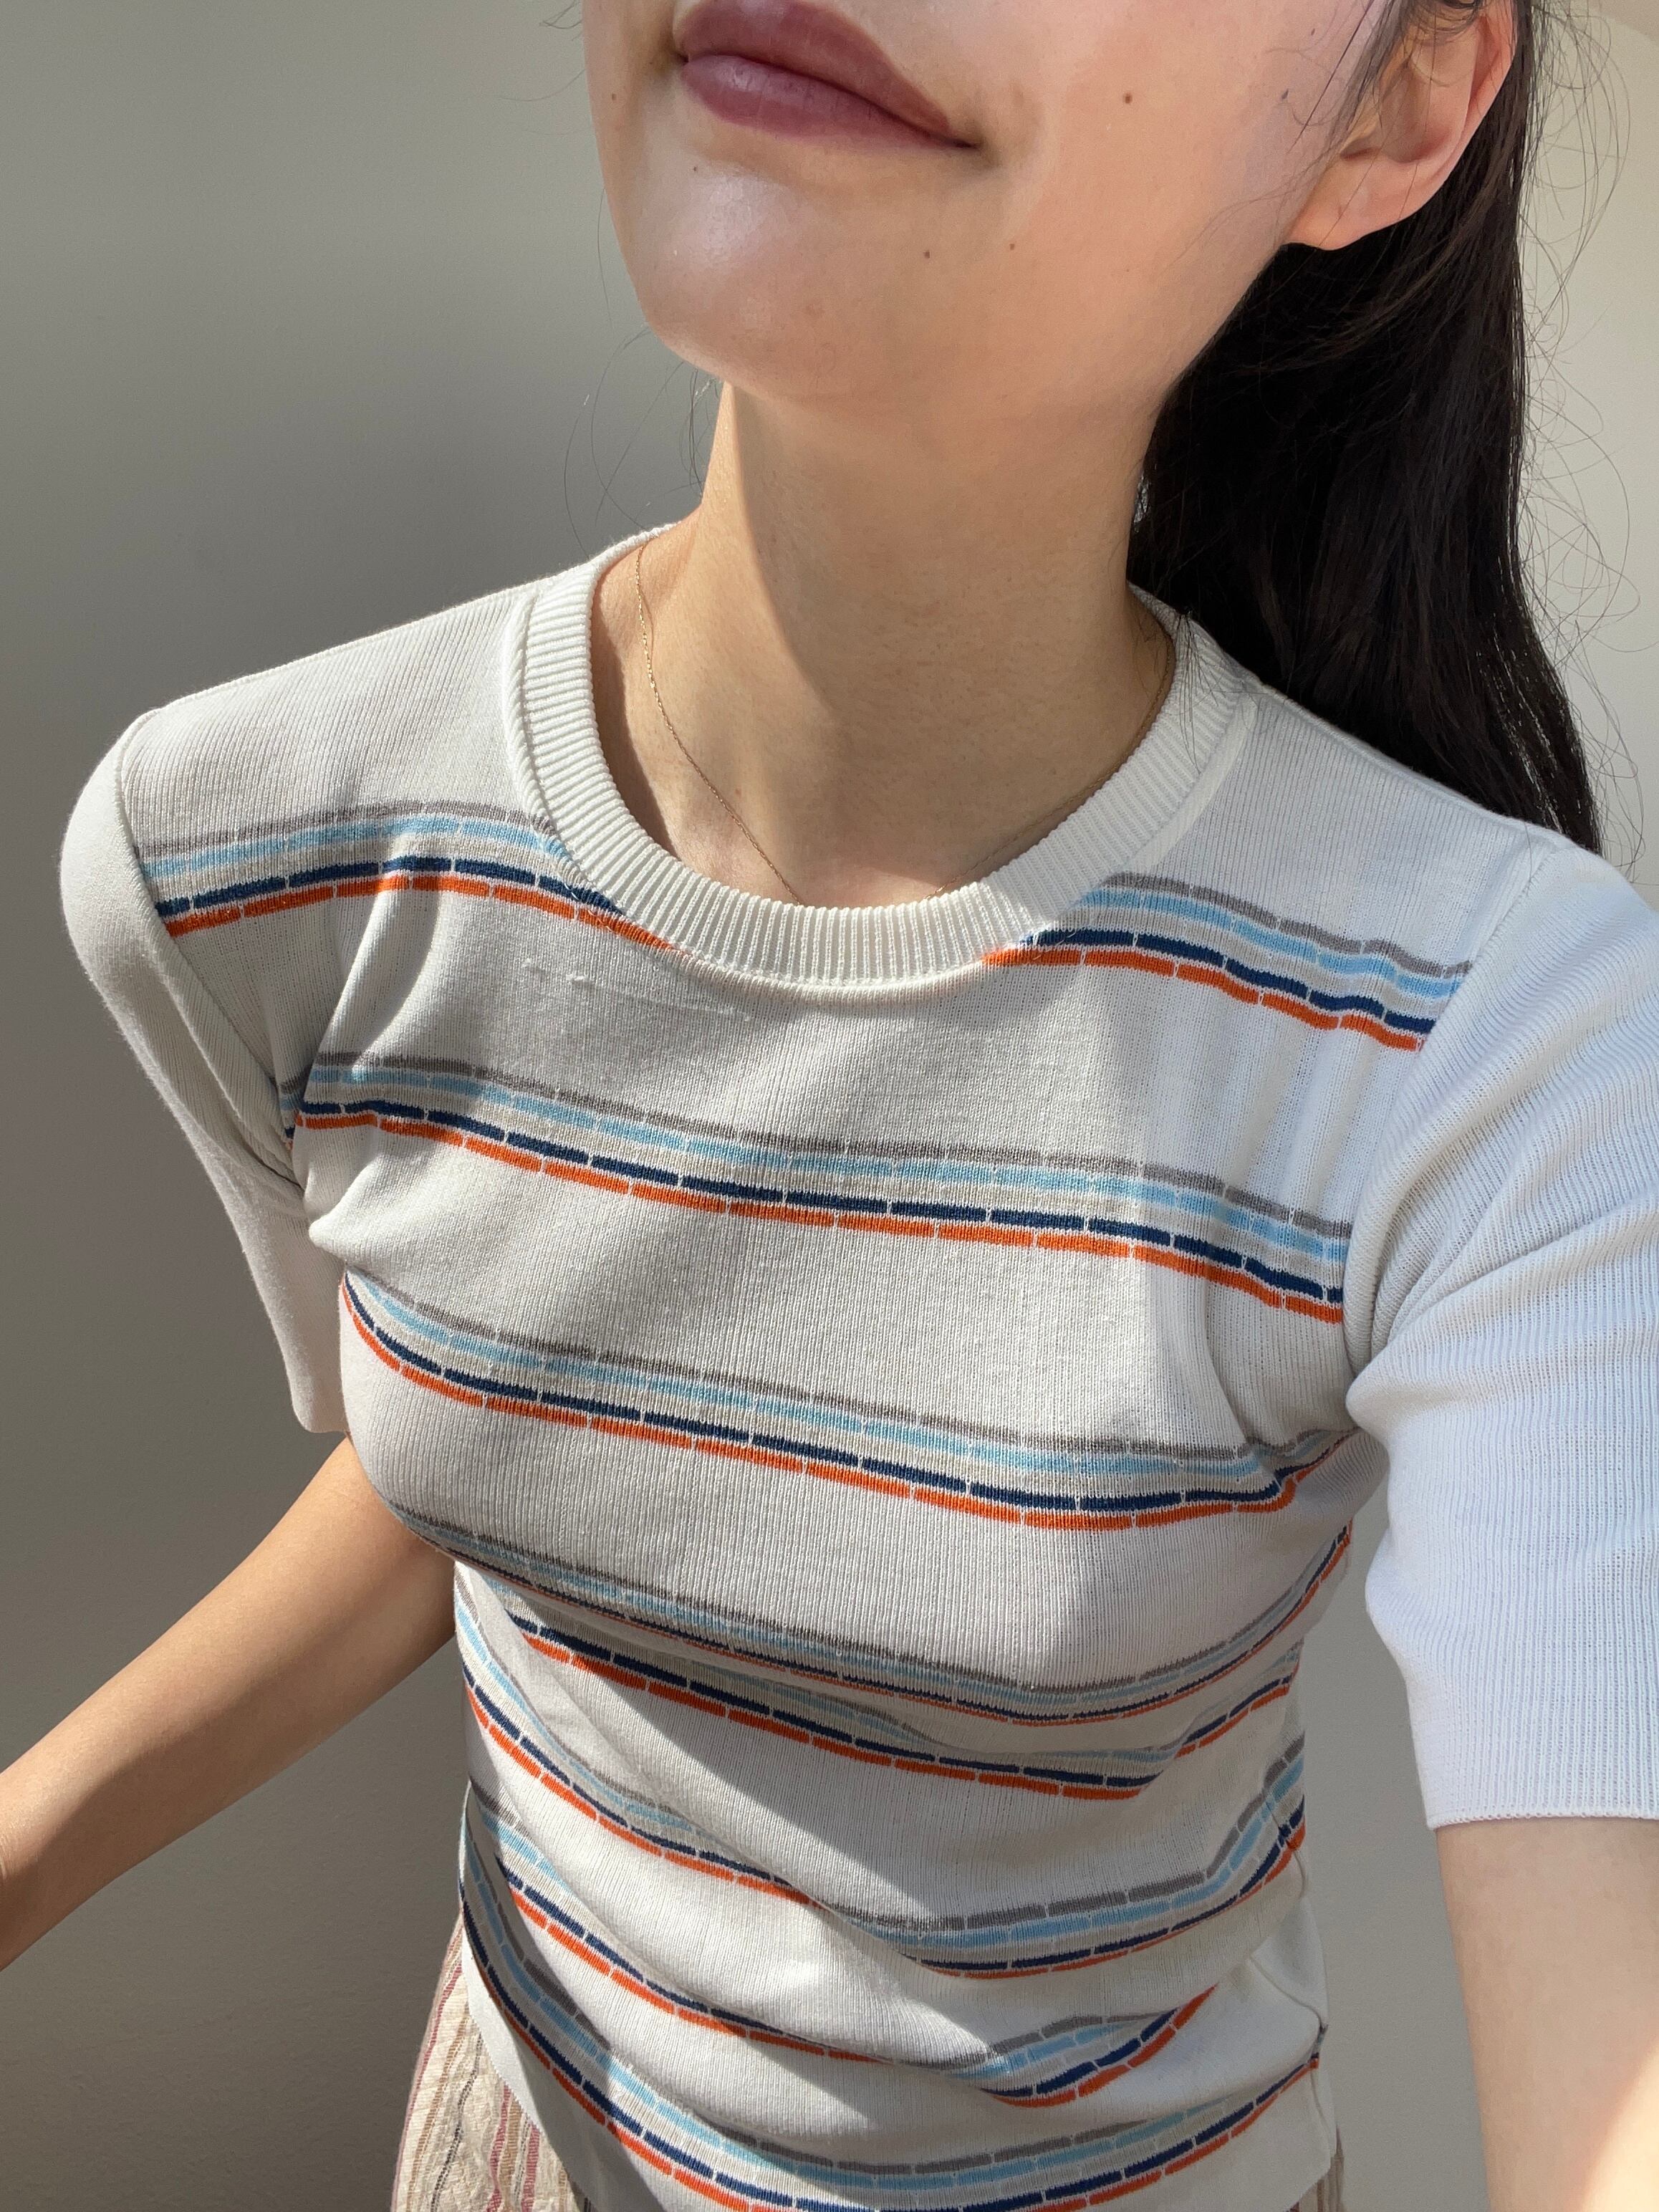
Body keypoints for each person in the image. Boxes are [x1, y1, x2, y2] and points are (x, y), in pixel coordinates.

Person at [4, 0, 1657, 2206]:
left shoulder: (1481, 1033)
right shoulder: (253, 857)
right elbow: (480, 1442)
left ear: (1396, 102)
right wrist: (32, 1838)